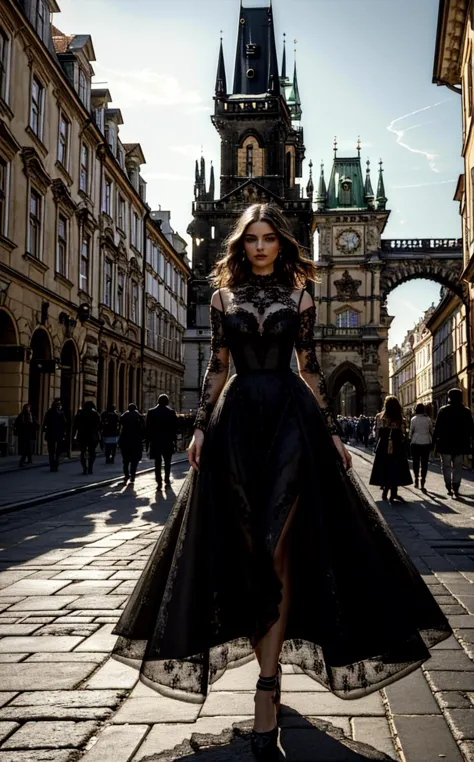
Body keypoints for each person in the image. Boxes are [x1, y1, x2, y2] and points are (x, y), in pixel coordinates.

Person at [111, 203, 451, 760]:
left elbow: (311, 365)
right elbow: (217, 365)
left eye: (270, 238)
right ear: (241, 245)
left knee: (281, 548)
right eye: (253, 239)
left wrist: (335, 432)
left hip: (292, 420)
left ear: (282, 244)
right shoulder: (223, 298)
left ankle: (267, 687)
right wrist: (198, 428)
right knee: (250, 551)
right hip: (237, 423)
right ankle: (264, 658)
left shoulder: (301, 297)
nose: (262, 246)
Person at [370, 395, 412, 503]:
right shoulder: (400, 419)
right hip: (397, 446)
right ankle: (394, 493)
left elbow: (378, 432)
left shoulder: (379, 416)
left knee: (385, 467)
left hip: (383, 445)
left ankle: (385, 491)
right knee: (396, 468)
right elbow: (404, 433)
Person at [433, 388, 474, 498]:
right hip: (460, 443)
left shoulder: (443, 410)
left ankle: (448, 485)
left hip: (445, 443)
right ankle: (456, 485)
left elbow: (437, 428)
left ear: (449, 397)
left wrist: (434, 443)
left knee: (446, 465)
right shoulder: (466, 411)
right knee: (458, 465)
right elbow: (471, 428)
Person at [145, 394, 178, 488]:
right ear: (167, 402)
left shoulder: (151, 412)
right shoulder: (171, 412)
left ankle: (158, 481)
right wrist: (174, 439)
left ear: (158, 401)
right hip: (167, 441)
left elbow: (147, 428)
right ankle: (167, 479)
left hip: (155, 442)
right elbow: (176, 427)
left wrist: (148, 442)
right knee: (168, 462)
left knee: (157, 463)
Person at [73, 401, 102, 475]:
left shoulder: (80, 413)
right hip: (93, 436)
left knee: (83, 452)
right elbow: (99, 425)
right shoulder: (95, 413)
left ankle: (84, 468)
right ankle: (90, 468)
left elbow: (75, 425)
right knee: (92, 452)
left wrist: (73, 435)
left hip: (82, 435)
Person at [410, 403, 433, 492]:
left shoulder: (413, 419)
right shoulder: (428, 419)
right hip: (426, 442)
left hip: (415, 443)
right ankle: (423, 480)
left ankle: (416, 479)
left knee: (416, 462)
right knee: (424, 463)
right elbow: (431, 430)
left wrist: (410, 439)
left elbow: (411, 431)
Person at [119, 403, 144, 483]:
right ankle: (132, 475)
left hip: (125, 439)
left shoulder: (123, 416)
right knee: (135, 460)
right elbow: (143, 428)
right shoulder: (139, 416)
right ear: (135, 408)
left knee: (125, 460)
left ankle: (126, 475)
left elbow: (120, 427)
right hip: (136, 440)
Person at [42, 399, 67, 472]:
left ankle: (52, 466)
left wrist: (45, 430)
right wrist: (64, 433)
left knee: (51, 451)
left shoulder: (49, 412)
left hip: (50, 434)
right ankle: (56, 465)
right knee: (58, 451)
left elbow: (45, 423)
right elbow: (64, 424)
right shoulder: (61, 413)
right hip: (59, 434)